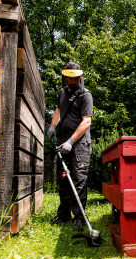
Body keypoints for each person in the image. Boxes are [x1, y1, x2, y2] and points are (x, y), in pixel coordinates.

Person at [46, 62, 93, 231]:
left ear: (80, 76)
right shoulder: (62, 93)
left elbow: (86, 121)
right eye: (69, 77)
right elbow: (58, 110)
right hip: (62, 141)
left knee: (79, 180)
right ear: (64, 76)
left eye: (75, 78)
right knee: (63, 178)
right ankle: (64, 214)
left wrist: (71, 142)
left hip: (79, 144)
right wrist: (52, 126)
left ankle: (79, 218)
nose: (72, 81)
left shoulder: (85, 95)